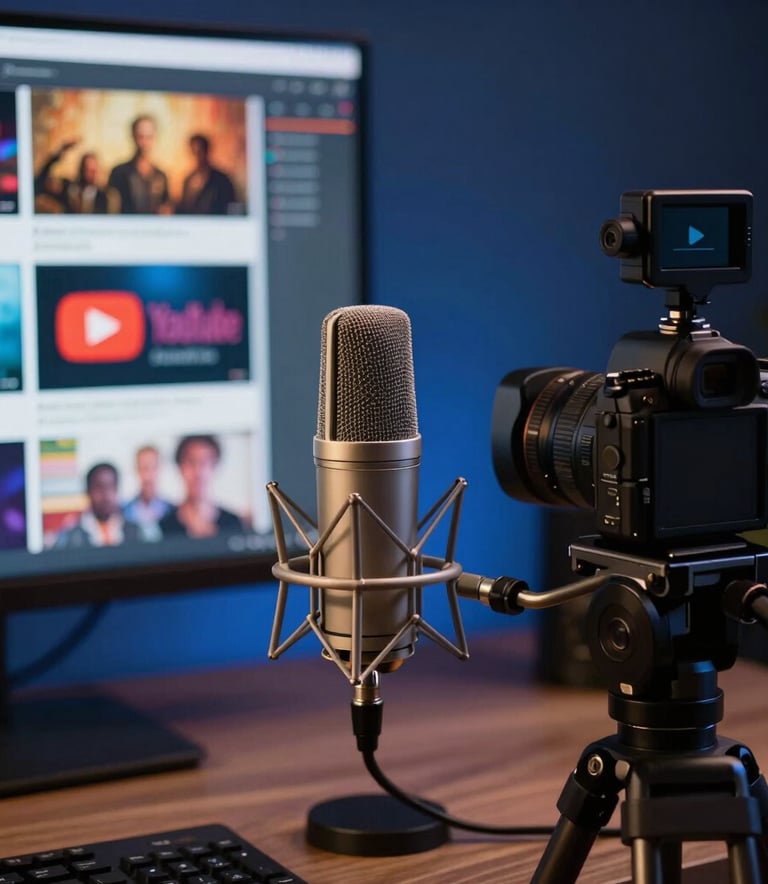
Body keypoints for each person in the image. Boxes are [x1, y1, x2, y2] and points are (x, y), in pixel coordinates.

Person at [159, 435, 243, 538]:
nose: (198, 472)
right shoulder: (163, 526)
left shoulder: (233, 524)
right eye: (191, 462)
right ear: (180, 467)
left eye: (204, 462)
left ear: (215, 467)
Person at [54, 463, 143, 548]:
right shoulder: (73, 537)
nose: (106, 495)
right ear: (88, 492)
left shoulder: (134, 531)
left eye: (111, 486)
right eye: (99, 487)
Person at [107, 115, 171, 214]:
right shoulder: (119, 173)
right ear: (133, 137)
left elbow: (166, 208)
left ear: (155, 138)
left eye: (149, 137)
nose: (144, 142)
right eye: (140, 137)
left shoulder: (161, 176)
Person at [34, 141, 115, 214]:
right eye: (88, 170)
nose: (91, 174)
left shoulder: (102, 197)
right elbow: (40, 182)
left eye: (94, 171)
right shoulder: (67, 188)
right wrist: (58, 154)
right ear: (81, 169)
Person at [176, 133, 239, 215]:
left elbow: (230, 208)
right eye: (194, 152)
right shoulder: (188, 180)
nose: (197, 157)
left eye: (200, 151)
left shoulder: (222, 180)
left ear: (207, 151)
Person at [122, 445, 173, 540]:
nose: (148, 476)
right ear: (136, 470)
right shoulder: (123, 512)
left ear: (160, 469)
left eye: (153, 467)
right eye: (144, 468)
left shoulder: (172, 511)